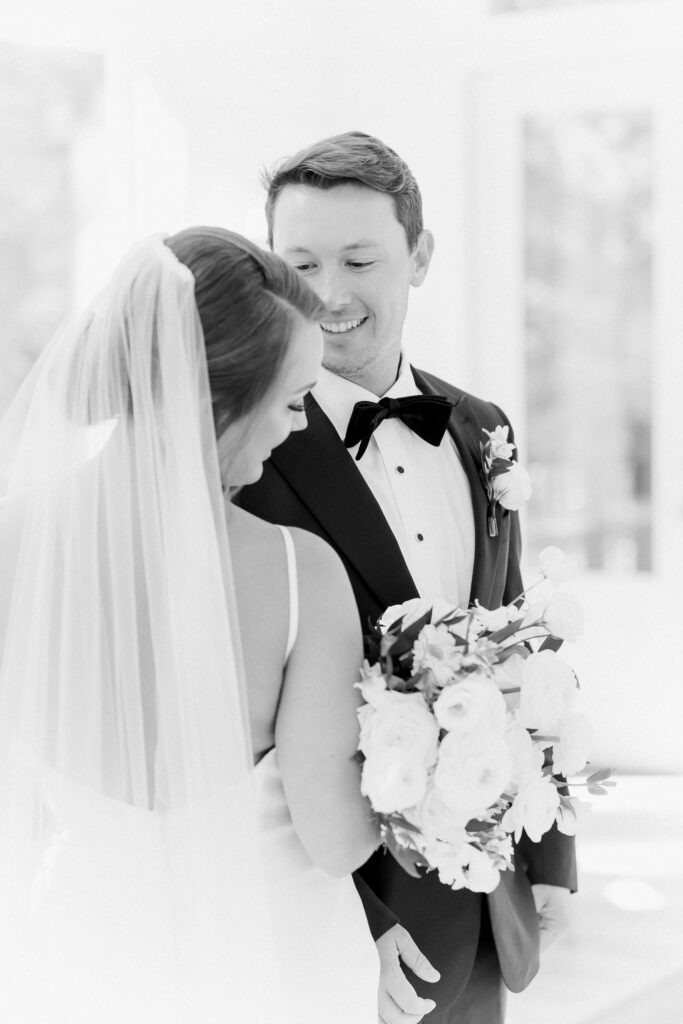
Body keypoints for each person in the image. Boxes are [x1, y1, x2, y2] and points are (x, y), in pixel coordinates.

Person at [238, 132, 578, 1024]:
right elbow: (235, 737)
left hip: (476, 888)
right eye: (299, 261)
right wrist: (351, 919)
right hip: (323, 908)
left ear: (418, 257)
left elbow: (521, 652)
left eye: (360, 259)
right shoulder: (243, 451)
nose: (327, 293)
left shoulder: (481, 427)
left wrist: (550, 855)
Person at [0, 227, 380, 1022]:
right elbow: (335, 838)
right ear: (213, 404)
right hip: (273, 969)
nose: (299, 426)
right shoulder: (296, 571)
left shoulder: (16, 547)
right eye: (291, 399)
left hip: (82, 961)